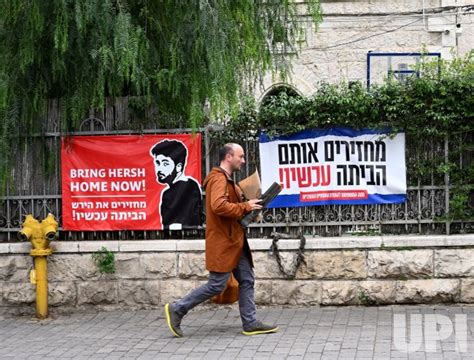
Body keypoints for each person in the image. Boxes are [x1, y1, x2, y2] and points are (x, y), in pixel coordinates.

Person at [164, 143, 279, 337]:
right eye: (240, 157)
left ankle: (250, 323)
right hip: (225, 242)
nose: (243, 161)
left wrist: (248, 205)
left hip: (235, 241)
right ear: (228, 157)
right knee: (217, 285)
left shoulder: (226, 180)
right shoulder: (218, 179)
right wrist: (245, 207)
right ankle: (178, 308)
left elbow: (229, 206)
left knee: (247, 279)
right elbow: (218, 206)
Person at [150, 139, 202, 229]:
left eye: (165, 164)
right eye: (157, 163)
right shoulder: (191, 185)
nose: (159, 169)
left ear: (179, 167)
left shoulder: (186, 188)